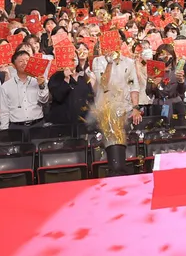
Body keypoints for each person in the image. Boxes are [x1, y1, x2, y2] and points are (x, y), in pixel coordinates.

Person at [95, 39, 144, 176]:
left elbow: (134, 87)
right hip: (107, 113)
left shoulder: (129, 62)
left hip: (125, 111)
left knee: (121, 145)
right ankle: (117, 173)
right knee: (114, 145)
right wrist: (110, 62)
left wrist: (135, 108)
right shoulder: (98, 61)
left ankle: (120, 172)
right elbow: (103, 84)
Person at [47, 43, 95, 133]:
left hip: (83, 123)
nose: (73, 59)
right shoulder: (56, 77)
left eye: (74, 56)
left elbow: (90, 96)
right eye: (69, 57)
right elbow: (58, 97)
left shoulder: (83, 76)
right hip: (63, 125)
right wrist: (66, 79)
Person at [0, 48, 50, 130]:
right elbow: (4, 111)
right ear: (14, 66)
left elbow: (44, 100)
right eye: (21, 61)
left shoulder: (38, 80)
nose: (25, 63)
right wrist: (4, 130)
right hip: (16, 128)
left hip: (37, 125)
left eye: (27, 60)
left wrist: (42, 85)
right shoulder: (6, 86)